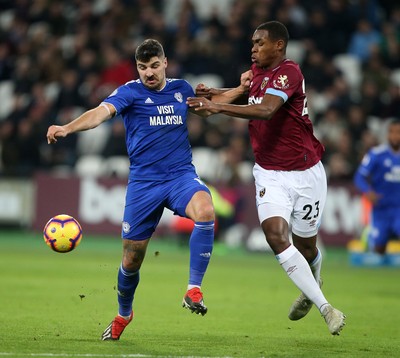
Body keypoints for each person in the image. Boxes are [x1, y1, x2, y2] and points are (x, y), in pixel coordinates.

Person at [47, 39, 215, 340]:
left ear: (165, 62)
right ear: (136, 68)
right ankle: (124, 314)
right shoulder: (129, 92)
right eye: (142, 67)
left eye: (153, 66)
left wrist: (242, 91)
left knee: (205, 210)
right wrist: (67, 128)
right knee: (131, 259)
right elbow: (99, 113)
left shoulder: (182, 89)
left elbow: (210, 107)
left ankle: (193, 289)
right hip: (144, 185)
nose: (148, 73)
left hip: (180, 176)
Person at [187, 21, 346, 335]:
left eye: (259, 43)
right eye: (252, 43)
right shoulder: (256, 72)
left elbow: (266, 110)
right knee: (275, 236)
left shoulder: (289, 72)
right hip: (269, 173)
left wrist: (215, 106)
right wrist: (215, 93)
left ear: (279, 46)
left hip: (306, 173)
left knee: (307, 248)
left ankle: (311, 284)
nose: (253, 48)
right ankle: (326, 307)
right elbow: (250, 96)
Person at [354, 118, 400, 255]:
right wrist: (368, 191)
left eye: (398, 132)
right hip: (381, 209)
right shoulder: (376, 154)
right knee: (379, 250)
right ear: (387, 134)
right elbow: (359, 177)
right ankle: (368, 236)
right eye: (392, 132)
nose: (395, 136)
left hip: (398, 208)